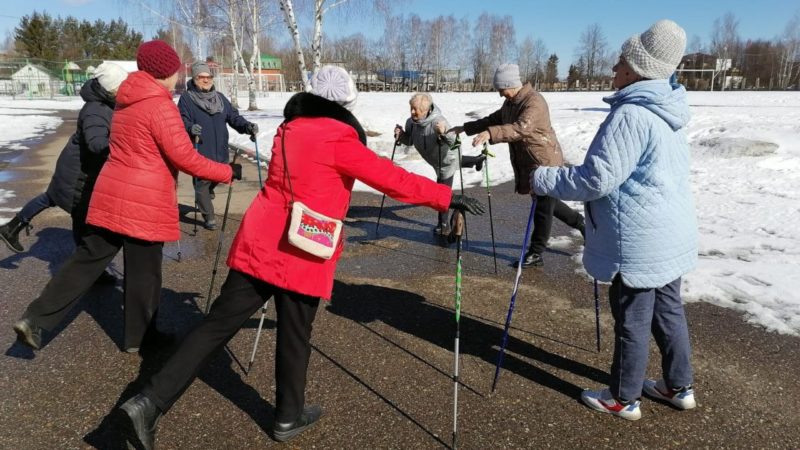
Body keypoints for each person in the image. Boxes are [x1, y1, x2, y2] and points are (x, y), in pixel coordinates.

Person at [113, 66, 485, 449]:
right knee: (295, 336)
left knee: (213, 328)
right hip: (305, 248)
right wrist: (445, 196)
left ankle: (148, 402)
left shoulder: (286, 130)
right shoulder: (340, 138)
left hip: (260, 241)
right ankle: (288, 416)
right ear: (344, 103)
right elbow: (390, 178)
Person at [12, 40, 240, 354]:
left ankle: (35, 318)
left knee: (85, 260)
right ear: (165, 71)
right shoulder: (159, 105)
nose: (178, 76)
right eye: (176, 70)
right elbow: (185, 157)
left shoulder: (126, 100)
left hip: (110, 193)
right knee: (144, 273)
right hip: (143, 201)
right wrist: (226, 172)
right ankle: (141, 339)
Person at [531, 20, 697, 420]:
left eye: (620, 61)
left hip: (640, 241)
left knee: (632, 317)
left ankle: (623, 398)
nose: (613, 69)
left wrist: (543, 178)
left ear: (638, 68)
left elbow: (596, 178)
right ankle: (679, 386)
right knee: (668, 310)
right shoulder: (668, 107)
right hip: (671, 232)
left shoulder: (633, 114)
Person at [0, 61, 129, 290]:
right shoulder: (96, 110)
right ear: (111, 88)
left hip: (76, 165)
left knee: (56, 200)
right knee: (82, 217)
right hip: (79, 171)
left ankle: (12, 227)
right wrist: (123, 143)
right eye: (122, 86)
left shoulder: (104, 103)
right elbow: (96, 143)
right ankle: (87, 269)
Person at [450, 63, 585, 268]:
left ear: (510, 84)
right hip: (530, 161)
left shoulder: (534, 102)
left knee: (542, 207)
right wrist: (465, 128)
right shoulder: (511, 103)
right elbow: (494, 119)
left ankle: (536, 252)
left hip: (545, 161)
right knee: (547, 204)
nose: (499, 93)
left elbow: (520, 128)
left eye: (501, 89)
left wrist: (490, 134)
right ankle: (581, 223)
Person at [178, 61, 258, 230]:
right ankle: (209, 217)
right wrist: (190, 128)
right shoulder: (187, 98)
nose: (206, 80)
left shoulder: (220, 98)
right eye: (201, 77)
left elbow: (234, 118)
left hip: (220, 150)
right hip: (200, 150)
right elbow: (181, 120)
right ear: (194, 78)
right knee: (202, 185)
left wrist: (246, 126)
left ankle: (209, 192)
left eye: (209, 77)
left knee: (219, 176)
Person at [393, 93, 486, 238]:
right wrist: (401, 135)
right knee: (458, 162)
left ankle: (443, 226)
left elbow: (456, 143)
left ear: (426, 110)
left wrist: (444, 133)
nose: (412, 112)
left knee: (442, 193)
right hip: (435, 159)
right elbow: (410, 140)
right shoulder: (411, 122)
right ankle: (477, 160)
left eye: (415, 109)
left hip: (446, 161)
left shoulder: (439, 121)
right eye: (411, 108)